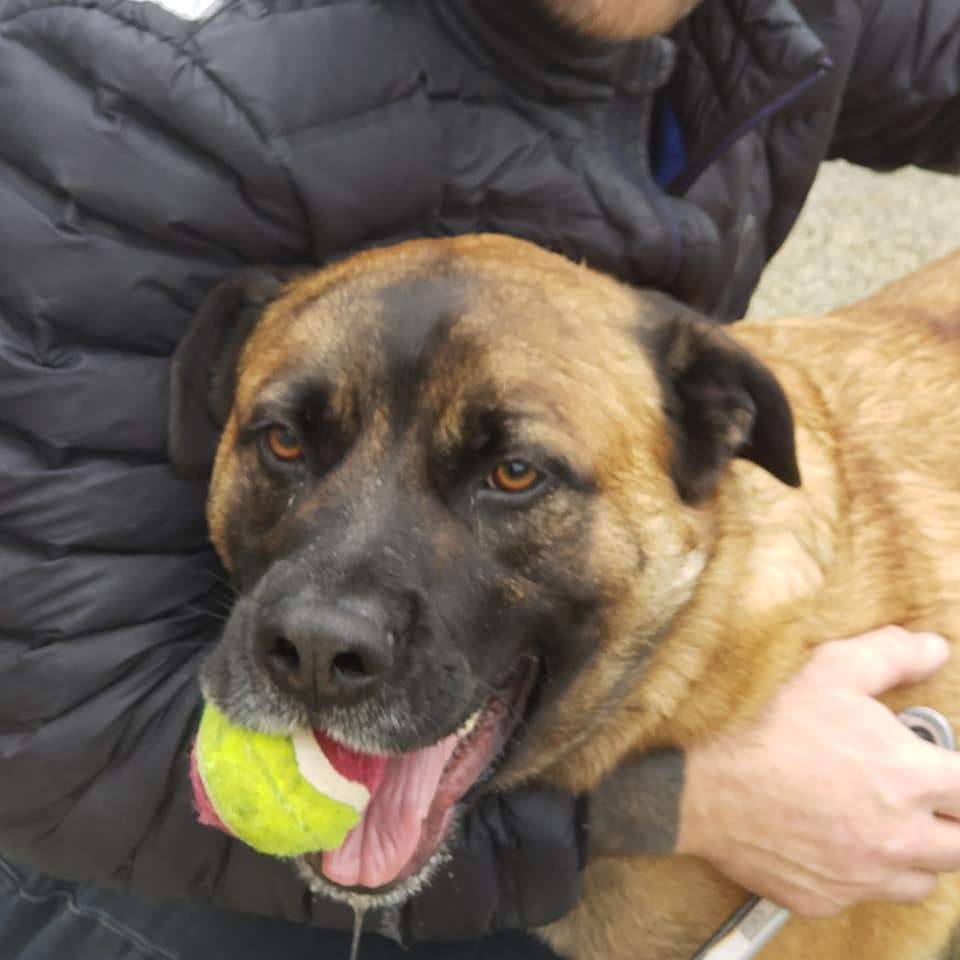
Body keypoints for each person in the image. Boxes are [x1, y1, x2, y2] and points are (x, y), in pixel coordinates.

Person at [0, 0, 958, 957]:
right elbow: (51, 749)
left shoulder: (786, 16)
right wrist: (679, 807)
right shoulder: (137, 107)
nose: (329, 627)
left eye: (510, 472)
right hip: (89, 808)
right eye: (291, 445)